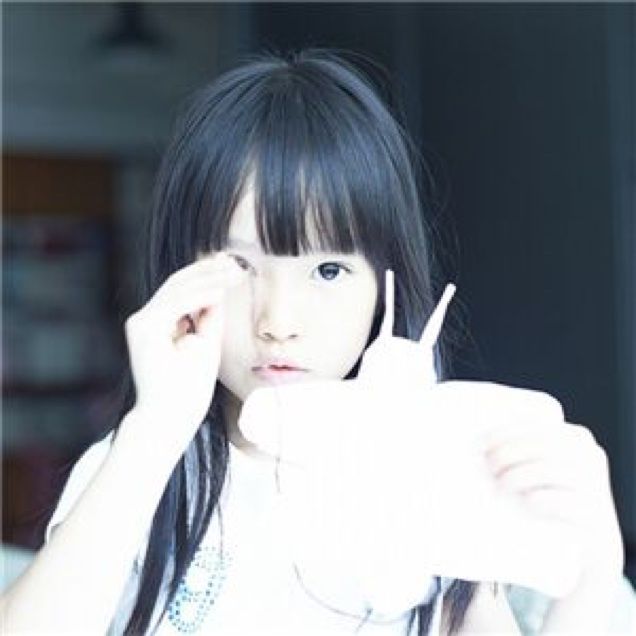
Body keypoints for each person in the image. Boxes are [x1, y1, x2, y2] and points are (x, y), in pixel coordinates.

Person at [1, 49, 634, 635]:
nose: (278, 321)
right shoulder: (141, 471)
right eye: (240, 266)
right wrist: (154, 429)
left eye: (328, 271)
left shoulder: (436, 476)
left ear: (385, 287)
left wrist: (593, 578)